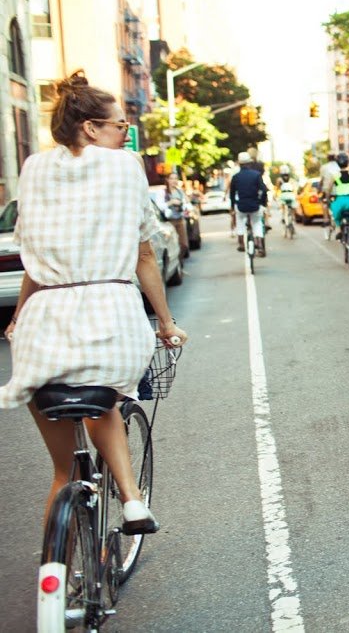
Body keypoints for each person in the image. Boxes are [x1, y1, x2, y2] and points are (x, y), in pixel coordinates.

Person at [0, 70, 188, 533]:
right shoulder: (125, 167)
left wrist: (19, 317)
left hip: (41, 325)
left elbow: (33, 257)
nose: (127, 134)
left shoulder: (34, 168)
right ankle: (132, 500)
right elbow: (145, 253)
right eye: (121, 126)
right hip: (110, 314)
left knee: (62, 472)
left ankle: (56, 572)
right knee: (102, 400)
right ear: (91, 128)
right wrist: (165, 322)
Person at [230, 151, 268, 256]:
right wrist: (262, 203)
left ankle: (241, 243)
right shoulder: (256, 175)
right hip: (255, 205)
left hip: (241, 206)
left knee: (240, 222)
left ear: (239, 164)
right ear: (249, 163)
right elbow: (264, 190)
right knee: (257, 224)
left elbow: (232, 194)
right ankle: (260, 245)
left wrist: (233, 207)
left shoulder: (235, 177)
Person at [164, 174, 189, 259]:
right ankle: (176, 266)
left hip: (180, 219)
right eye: (171, 178)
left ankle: (179, 262)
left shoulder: (180, 191)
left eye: (176, 178)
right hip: (169, 222)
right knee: (172, 246)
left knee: (183, 244)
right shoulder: (164, 192)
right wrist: (171, 202)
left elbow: (187, 203)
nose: (174, 180)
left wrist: (184, 206)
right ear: (168, 180)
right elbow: (160, 206)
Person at [319, 153, 343, 236]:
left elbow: (322, 180)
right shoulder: (339, 166)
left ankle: (326, 219)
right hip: (339, 190)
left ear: (327, 159)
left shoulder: (324, 167)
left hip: (328, 190)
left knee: (324, 202)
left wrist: (319, 188)